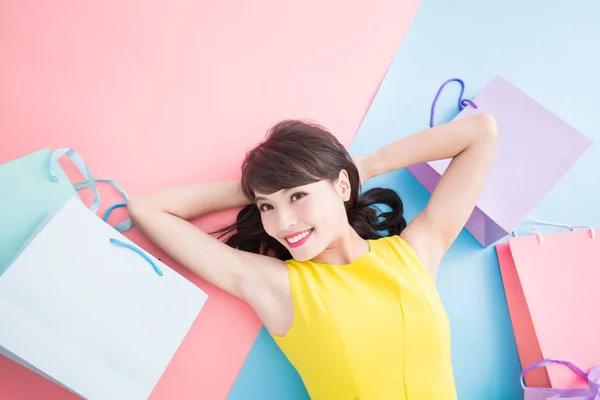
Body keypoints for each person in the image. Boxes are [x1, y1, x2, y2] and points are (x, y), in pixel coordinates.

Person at [128, 113, 498, 400]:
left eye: (297, 196)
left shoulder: (414, 254)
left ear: (340, 185)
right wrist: (260, 187)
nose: (283, 222)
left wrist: (362, 167)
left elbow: (481, 132)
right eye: (266, 206)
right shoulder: (282, 287)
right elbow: (149, 210)